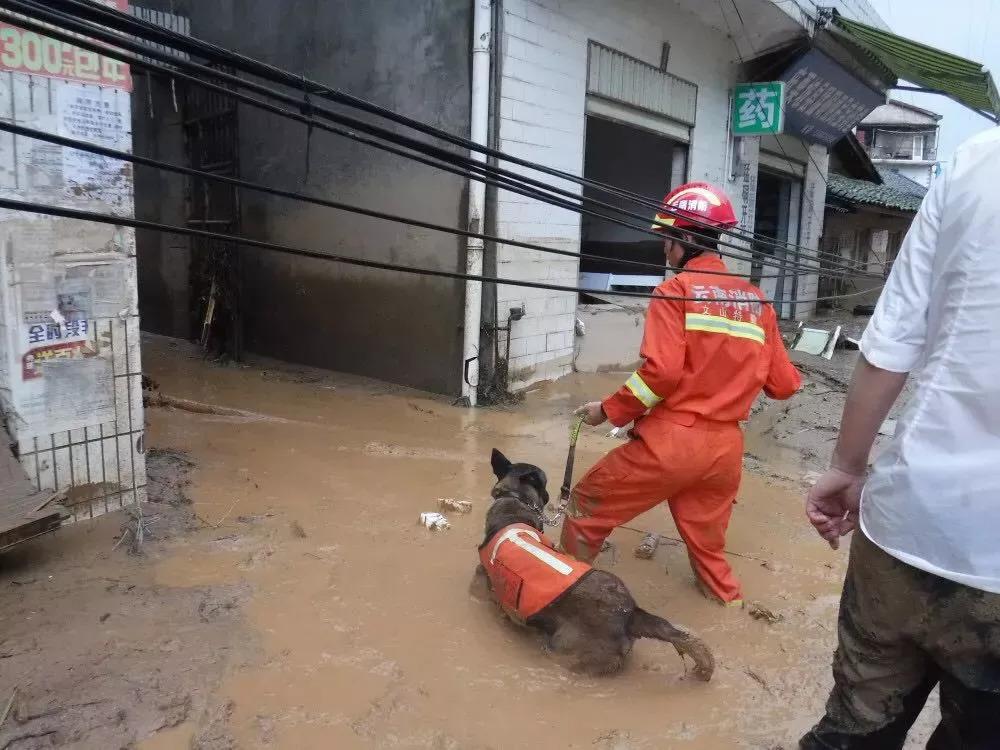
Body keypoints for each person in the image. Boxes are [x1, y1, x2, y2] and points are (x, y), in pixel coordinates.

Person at [801, 129, 1000, 749]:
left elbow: (888, 345)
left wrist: (847, 466)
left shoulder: (976, 160)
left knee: (853, 727)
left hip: (906, 520)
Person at [561, 181, 801, 606]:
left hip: (672, 442)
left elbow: (661, 375)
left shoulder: (674, 292)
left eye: (668, 242)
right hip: (725, 452)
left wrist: (607, 410)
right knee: (708, 549)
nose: (665, 252)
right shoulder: (757, 302)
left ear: (687, 239)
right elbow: (784, 386)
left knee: (584, 508)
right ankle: (730, 609)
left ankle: (562, 598)